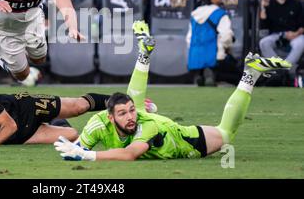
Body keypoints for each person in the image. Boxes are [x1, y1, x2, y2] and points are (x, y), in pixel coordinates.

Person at [54, 20, 292, 161]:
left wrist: (89, 156)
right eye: (123, 113)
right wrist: (74, 150)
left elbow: (129, 155)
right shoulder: (98, 124)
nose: (130, 116)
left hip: (184, 139)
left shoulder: (147, 126)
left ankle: (250, 75)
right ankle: (144, 54)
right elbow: (72, 153)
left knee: (227, 133)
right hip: (158, 129)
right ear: (109, 116)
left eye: (130, 112)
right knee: (135, 103)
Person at [186, 0, 239, 87]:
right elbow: (226, 36)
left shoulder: (193, 14)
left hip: (195, 59)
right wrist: (226, 48)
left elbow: (189, 39)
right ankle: (214, 75)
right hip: (216, 58)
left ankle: (201, 74)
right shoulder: (220, 14)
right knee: (240, 77)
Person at [259, 0, 304, 79]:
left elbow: (302, 25)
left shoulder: (296, 4)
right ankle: (281, 71)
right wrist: (263, 8)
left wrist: (296, 34)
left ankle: (283, 71)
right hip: (276, 34)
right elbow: (264, 26)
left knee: (302, 41)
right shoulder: (269, 2)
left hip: (294, 34)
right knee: (263, 42)